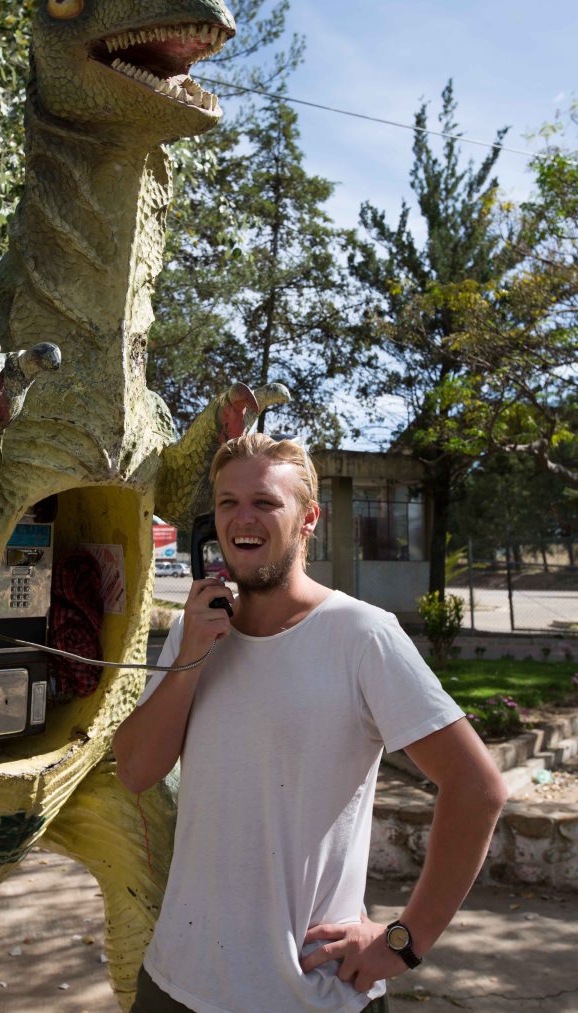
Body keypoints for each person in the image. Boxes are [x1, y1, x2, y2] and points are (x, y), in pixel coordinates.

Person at [113, 434, 507, 1013]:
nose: (241, 520)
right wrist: (193, 652)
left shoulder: (361, 635)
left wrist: (404, 940)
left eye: (265, 503)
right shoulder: (194, 633)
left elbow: (477, 788)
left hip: (309, 993)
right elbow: (137, 770)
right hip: (177, 982)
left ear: (308, 519)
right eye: (227, 503)